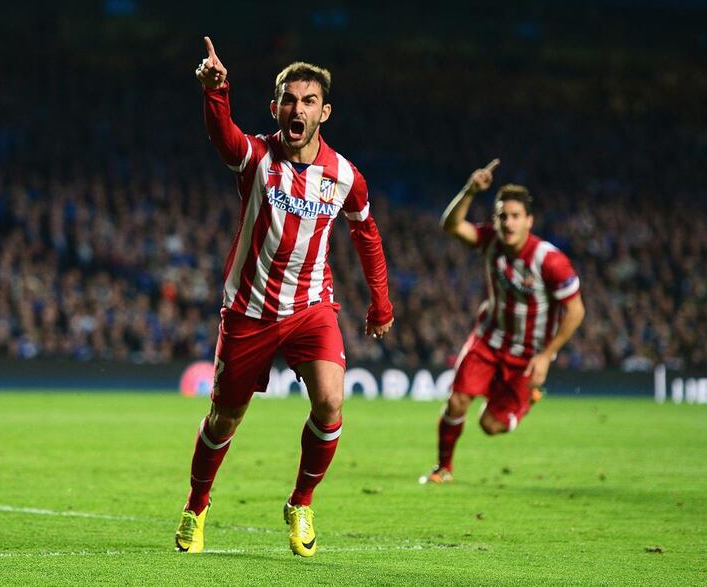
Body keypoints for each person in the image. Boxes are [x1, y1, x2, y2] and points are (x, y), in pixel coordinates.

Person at [175, 37, 394, 557]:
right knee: (224, 418)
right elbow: (223, 137)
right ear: (276, 107)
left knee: (331, 402)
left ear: (325, 112)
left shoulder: (345, 178)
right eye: (289, 100)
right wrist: (216, 91)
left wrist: (380, 302)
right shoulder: (256, 156)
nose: (298, 108)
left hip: (310, 308)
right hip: (248, 311)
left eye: (309, 100)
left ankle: (301, 501)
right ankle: (196, 505)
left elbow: (367, 233)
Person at [420, 159, 585, 484]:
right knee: (456, 401)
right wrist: (469, 191)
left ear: (529, 221)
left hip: (528, 353)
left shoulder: (549, 261)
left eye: (515, 216)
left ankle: (530, 398)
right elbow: (451, 226)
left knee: (490, 425)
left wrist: (546, 355)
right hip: (488, 339)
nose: (508, 223)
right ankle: (444, 469)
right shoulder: (491, 240)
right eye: (502, 216)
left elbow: (576, 311)